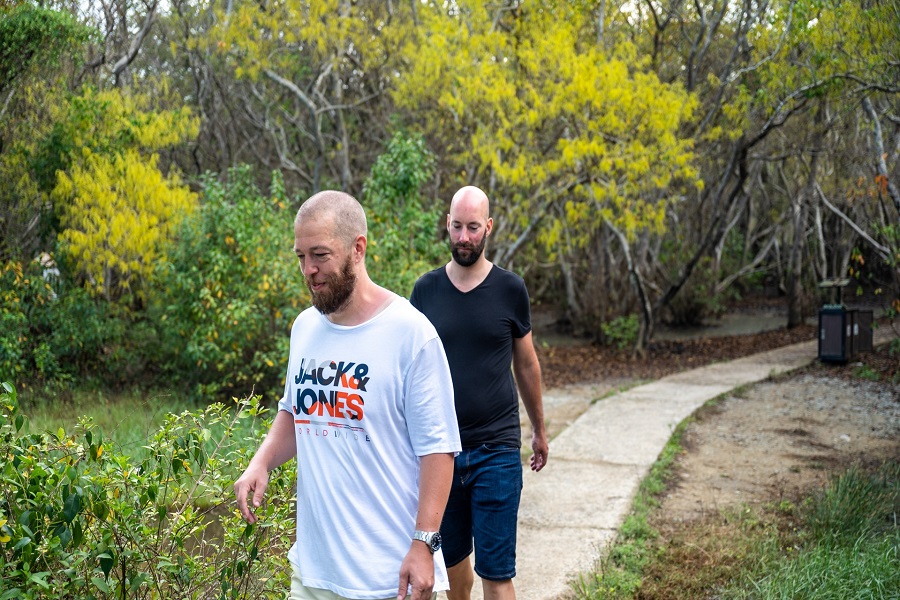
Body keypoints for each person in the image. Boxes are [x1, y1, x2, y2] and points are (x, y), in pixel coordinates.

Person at [234, 190, 462, 600]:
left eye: (319, 254)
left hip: (387, 577)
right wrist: (262, 460)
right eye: (300, 257)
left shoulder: (411, 335)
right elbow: (294, 411)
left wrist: (423, 544)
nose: (308, 270)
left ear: (358, 248)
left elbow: (439, 450)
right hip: (312, 572)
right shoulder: (305, 328)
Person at [409, 186, 548, 600]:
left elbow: (526, 365)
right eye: (457, 227)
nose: (464, 237)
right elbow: (410, 372)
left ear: (488, 227)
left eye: (473, 227)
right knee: (454, 571)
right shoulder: (426, 291)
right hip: (442, 454)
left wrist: (539, 429)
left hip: (498, 449)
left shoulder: (510, 289)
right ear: (447, 226)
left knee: (496, 571)